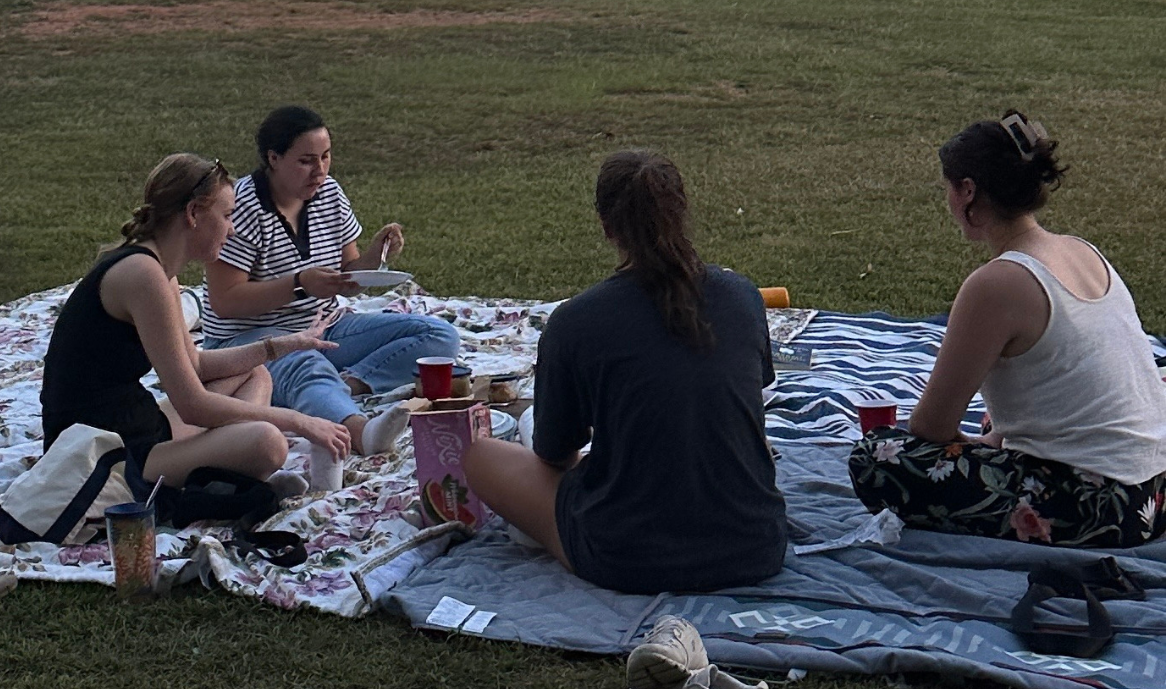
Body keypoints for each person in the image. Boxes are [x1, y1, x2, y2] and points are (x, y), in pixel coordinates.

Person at [463, 150, 787, 594]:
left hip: (628, 555)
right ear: (682, 212)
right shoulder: (743, 296)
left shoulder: (577, 322)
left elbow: (555, 455)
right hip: (754, 546)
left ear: (607, 227)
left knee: (480, 457)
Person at [849, 112, 1166, 546]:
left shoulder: (998, 283)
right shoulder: (1082, 250)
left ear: (967, 191)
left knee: (877, 456)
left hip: (1100, 507)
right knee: (992, 422)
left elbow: (931, 426)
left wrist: (972, 450)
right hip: (1156, 490)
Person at [39, 153, 352, 488]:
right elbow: (193, 407)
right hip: (98, 455)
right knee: (269, 442)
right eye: (228, 215)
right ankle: (232, 476)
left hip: (135, 424)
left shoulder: (160, 271)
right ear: (193, 214)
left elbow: (196, 366)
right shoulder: (143, 275)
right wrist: (300, 421)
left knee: (255, 375)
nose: (232, 229)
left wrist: (279, 346)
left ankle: (228, 475)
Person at [199, 106, 459, 459]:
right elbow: (225, 301)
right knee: (304, 361)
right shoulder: (241, 207)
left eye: (325, 157)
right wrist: (299, 284)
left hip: (323, 327)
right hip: (248, 341)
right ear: (273, 158)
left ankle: (347, 385)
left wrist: (375, 256)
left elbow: (346, 274)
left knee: (438, 337)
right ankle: (359, 431)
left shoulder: (329, 193)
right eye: (306, 160)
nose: (320, 170)